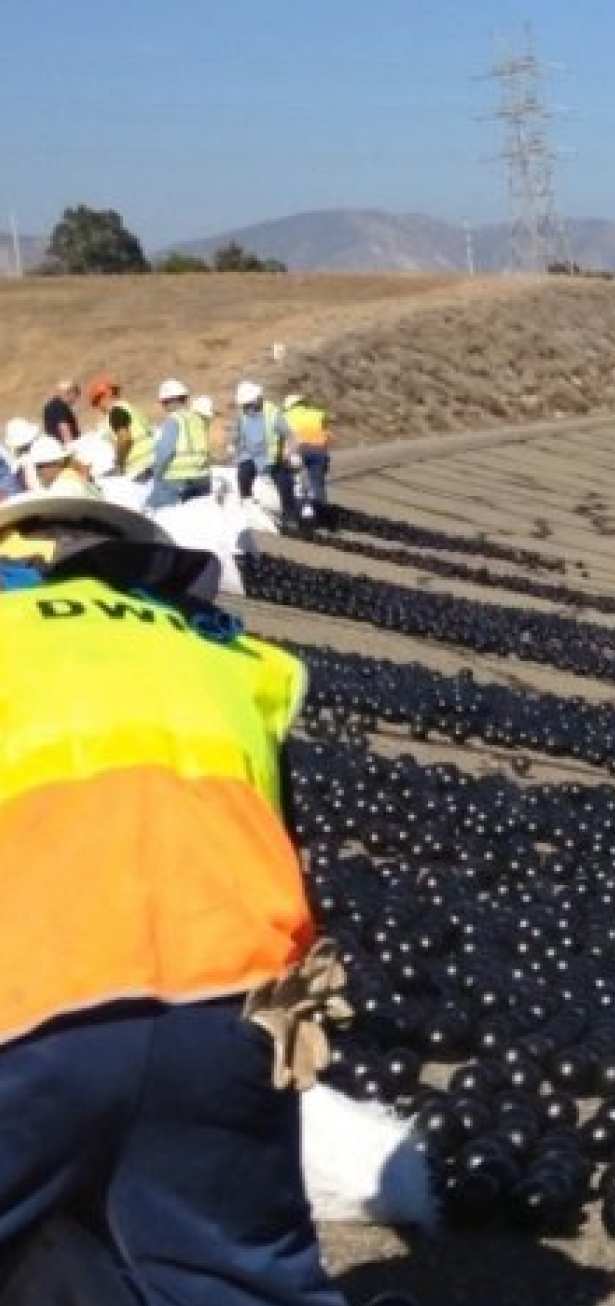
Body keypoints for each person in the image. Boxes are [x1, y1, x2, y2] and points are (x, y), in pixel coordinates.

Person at [0, 490, 345, 1306]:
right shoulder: (233, 659)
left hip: (30, 1010)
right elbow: (283, 845)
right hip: (226, 1011)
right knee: (225, 1272)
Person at [146, 378, 213, 508]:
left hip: (178, 481)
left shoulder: (174, 420)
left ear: (168, 401)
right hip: (202, 479)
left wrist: (157, 473)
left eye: (164, 403)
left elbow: (164, 450)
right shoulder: (198, 419)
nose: (163, 407)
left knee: (162, 512)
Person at [233, 382, 298, 513]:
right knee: (243, 474)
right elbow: (237, 435)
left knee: (285, 483)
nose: (247, 408)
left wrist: (290, 452)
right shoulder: (242, 415)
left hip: (272, 458)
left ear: (257, 399)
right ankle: (247, 502)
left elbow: (290, 435)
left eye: (250, 404)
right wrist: (234, 448)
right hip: (250, 456)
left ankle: (290, 514)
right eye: (245, 405)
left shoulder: (273, 413)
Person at [284, 394, 331, 523]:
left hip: (298, 450)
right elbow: (327, 434)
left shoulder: (285, 416)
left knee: (296, 482)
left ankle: (298, 511)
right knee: (317, 483)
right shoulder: (319, 414)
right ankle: (321, 514)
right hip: (319, 451)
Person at [87, 376, 148, 471]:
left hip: (140, 467)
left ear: (102, 398)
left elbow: (125, 438)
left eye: (96, 403)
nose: (98, 408)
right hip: (153, 460)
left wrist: (119, 462)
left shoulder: (115, 411)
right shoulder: (129, 408)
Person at [19, 435, 94, 496]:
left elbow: (48, 506)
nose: (38, 472)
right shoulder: (68, 476)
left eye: (39, 466)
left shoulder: (65, 485)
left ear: (54, 464)